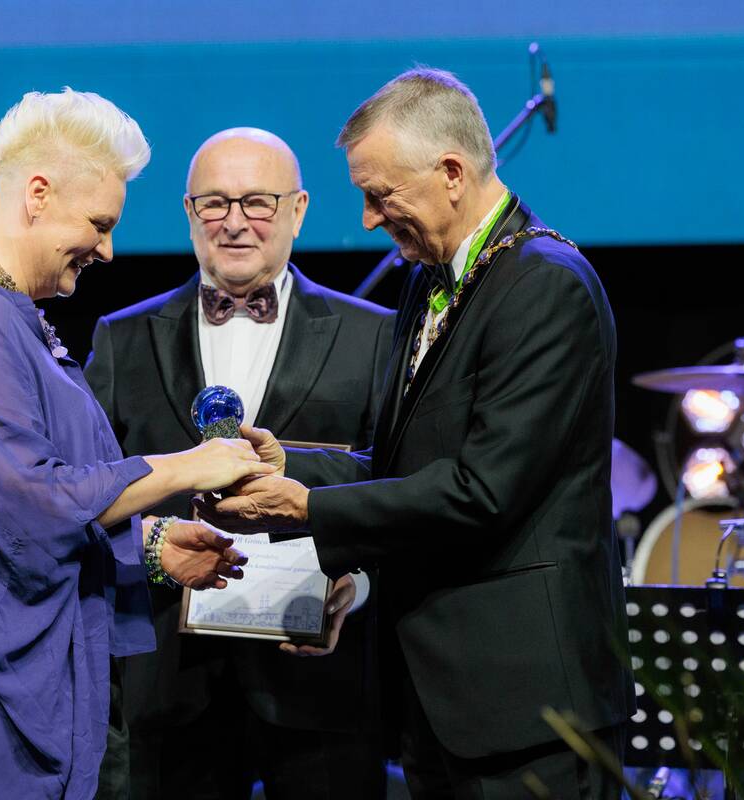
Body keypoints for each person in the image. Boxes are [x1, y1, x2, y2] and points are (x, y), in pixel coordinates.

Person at [197, 69, 632, 799]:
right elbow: (406, 464)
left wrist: (306, 509)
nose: (369, 219)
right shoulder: (430, 279)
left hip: (531, 710)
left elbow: (482, 491)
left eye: (380, 194)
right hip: (444, 701)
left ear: (452, 173)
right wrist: (291, 468)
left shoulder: (545, 285)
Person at [0, 89, 274, 800]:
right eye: (99, 224)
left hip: (51, 701)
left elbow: (20, 505)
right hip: (3, 724)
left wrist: (151, 544)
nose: (107, 249)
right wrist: (188, 466)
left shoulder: (6, 311)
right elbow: (31, 503)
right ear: (38, 194)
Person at [85, 128, 394, 799]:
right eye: (214, 203)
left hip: (318, 680)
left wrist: (361, 584)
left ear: (298, 210)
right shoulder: (121, 338)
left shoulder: (374, 334)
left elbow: (396, 485)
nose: (234, 222)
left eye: (257, 202)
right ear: (189, 212)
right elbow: (87, 496)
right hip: (170, 682)